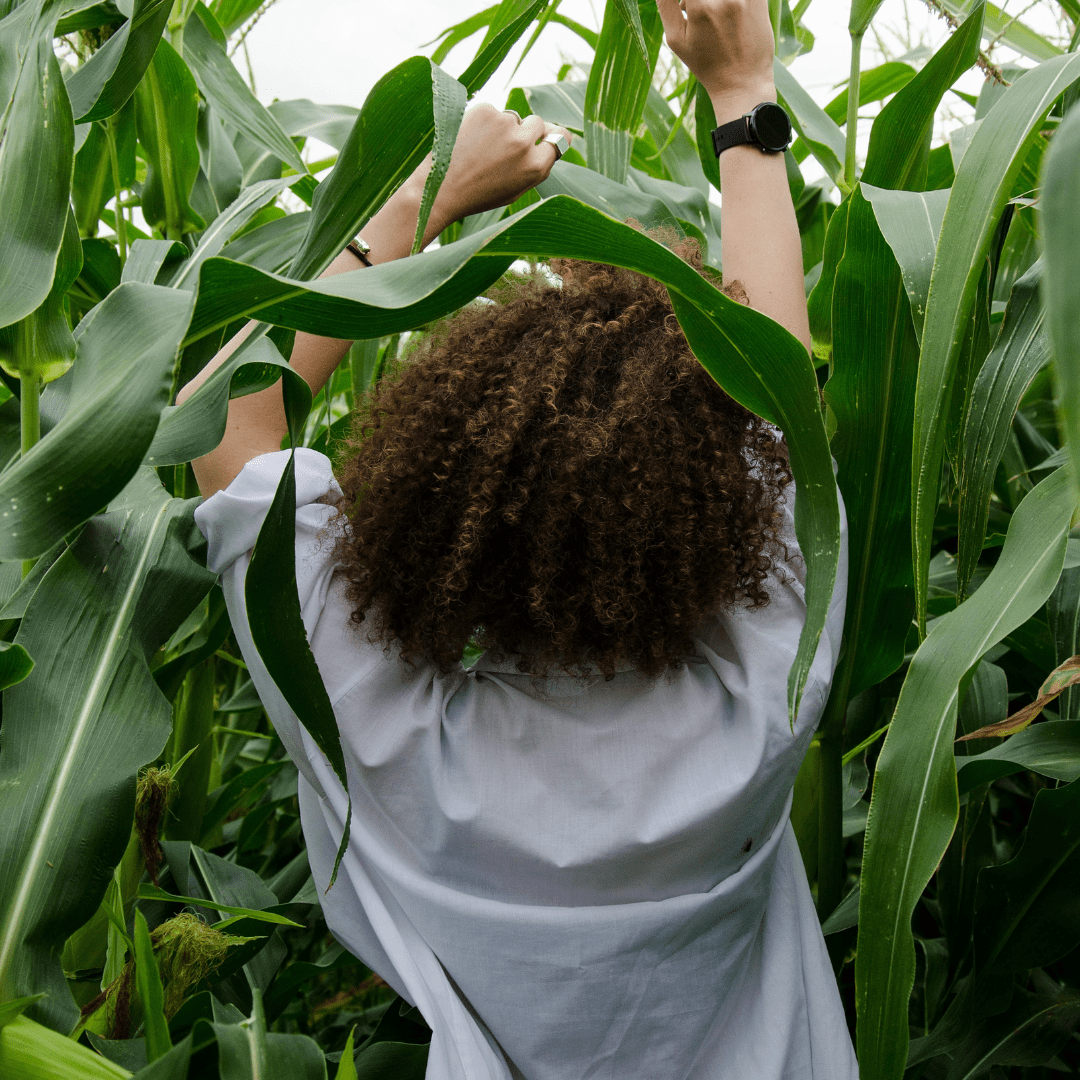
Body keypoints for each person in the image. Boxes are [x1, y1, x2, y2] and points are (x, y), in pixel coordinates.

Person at [183, 0, 855, 1075]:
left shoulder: (391, 737)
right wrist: (742, 92)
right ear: (709, 513)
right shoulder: (757, 701)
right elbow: (776, 400)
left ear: (437, 507)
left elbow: (218, 422)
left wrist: (417, 205)